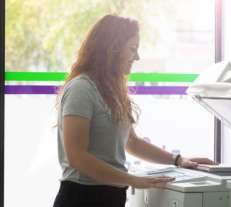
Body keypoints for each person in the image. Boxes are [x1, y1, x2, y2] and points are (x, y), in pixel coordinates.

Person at [53, 14, 216, 207]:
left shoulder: (113, 91)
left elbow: (132, 142)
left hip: (111, 197)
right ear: (112, 49)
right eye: (132, 49)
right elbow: (77, 157)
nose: (137, 57)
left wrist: (178, 160)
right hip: (82, 197)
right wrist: (132, 179)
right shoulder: (81, 89)